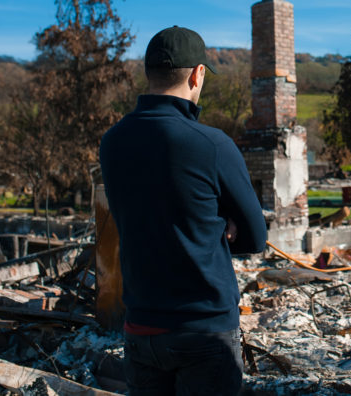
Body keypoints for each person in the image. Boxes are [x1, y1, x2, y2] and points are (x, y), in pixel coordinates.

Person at [99, 26, 267, 396]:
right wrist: (222, 225)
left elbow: (146, 213)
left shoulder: (112, 143)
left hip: (140, 327)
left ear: (149, 73)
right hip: (203, 330)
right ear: (198, 74)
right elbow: (256, 237)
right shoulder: (212, 144)